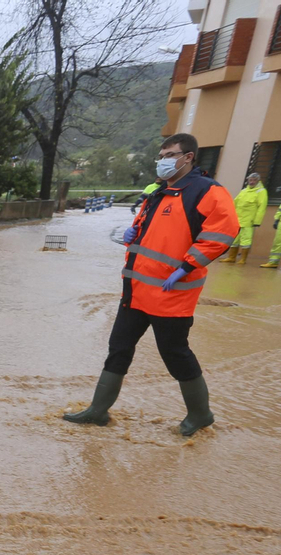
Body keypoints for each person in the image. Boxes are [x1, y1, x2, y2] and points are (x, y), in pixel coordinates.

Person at [64, 133, 239, 436]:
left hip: (171, 293)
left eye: (170, 154)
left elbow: (223, 233)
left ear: (188, 157)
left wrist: (186, 267)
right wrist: (133, 234)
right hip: (136, 291)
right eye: (161, 155)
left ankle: (200, 414)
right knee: (118, 348)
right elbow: (151, 230)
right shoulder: (160, 191)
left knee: (175, 353)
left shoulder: (206, 191)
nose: (163, 161)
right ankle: (98, 411)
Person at [224, 172, 267, 265]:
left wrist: (257, 221)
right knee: (234, 240)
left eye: (254, 180)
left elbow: (262, 207)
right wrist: (230, 216)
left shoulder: (261, 191)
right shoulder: (244, 191)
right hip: (238, 220)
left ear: (258, 181)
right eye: (250, 180)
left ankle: (243, 259)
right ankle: (231, 257)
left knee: (246, 240)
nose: (251, 182)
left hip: (249, 221)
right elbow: (235, 203)